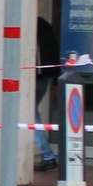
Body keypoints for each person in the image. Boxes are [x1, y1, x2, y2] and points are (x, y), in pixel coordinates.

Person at [33, 12, 61, 168]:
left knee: (30, 114)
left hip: (35, 76)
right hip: (44, 75)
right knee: (31, 112)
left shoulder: (32, 27)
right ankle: (47, 154)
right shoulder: (44, 25)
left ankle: (47, 154)